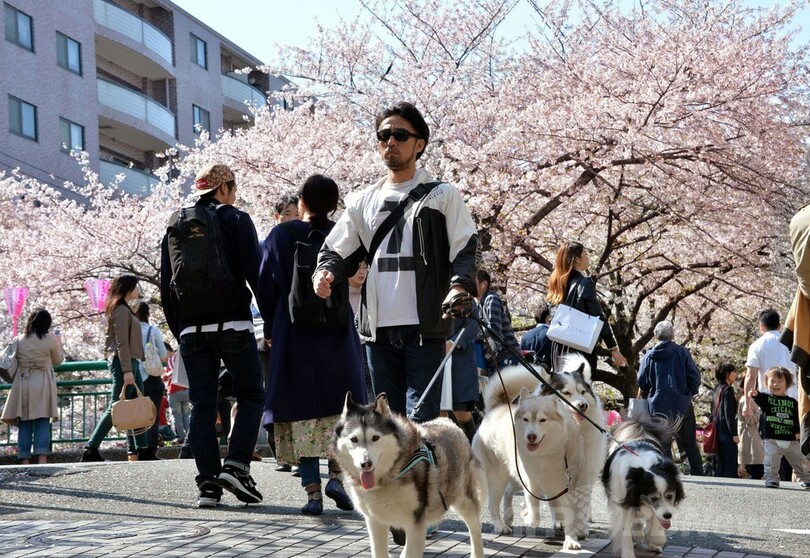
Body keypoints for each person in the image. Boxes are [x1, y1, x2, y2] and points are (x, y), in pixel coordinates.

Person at [313, 101, 478, 422]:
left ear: (419, 144)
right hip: (378, 331)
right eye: (383, 135)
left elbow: (466, 246)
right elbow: (337, 249)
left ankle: (423, 473)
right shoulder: (363, 201)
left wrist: (460, 286)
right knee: (388, 425)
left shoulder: (442, 195)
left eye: (400, 135)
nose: (390, 141)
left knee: (421, 421)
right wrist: (325, 272)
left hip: (425, 327)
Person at [257, 174, 367, 515]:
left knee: (300, 408)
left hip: (293, 331)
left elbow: (263, 284)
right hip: (336, 328)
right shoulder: (342, 233)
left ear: (301, 202)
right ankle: (336, 476)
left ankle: (312, 494)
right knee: (340, 406)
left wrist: (272, 322)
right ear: (335, 205)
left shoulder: (280, 235)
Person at [160, 163, 265, 508]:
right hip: (234, 324)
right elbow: (255, 274)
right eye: (233, 188)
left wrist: (183, 332)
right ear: (223, 189)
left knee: (203, 406)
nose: (235, 195)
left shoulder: (177, 224)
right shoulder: (236, 219)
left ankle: (208, 485)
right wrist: (274, 325)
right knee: (251, 394)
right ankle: (236, 465)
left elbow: (165, 288)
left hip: (192, 330)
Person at [81, 274, 150, 462]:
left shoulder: (124, 308)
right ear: (128, 288)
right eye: (136, 286)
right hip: (123, 362)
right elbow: (121, 342)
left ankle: (144, 451)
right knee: (116, 406)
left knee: (137, 403)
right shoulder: (120, 309)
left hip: (130, 361)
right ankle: (90, 448)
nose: (138, 290)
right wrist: (127, 370)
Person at [546, 241, 627, 373]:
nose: (587, 258)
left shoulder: (557, 284)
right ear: (577, 260)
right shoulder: (584, 283)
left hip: (558, 348)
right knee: (580, 389)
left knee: (563, 390)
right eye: (585, 254)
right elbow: (598, 316)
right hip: (577, 348)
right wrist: (613, 348)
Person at [636, 320, 703, 475]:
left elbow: (642, 381)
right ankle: (699, 473)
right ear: (672, 335)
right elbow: (694, 377)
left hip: (658, 405)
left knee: (663, 443)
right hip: (682, 404)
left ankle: (666, 475)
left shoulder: (649, 356)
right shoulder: (682, 352)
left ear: (655, 336)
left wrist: (648, 392)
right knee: (689, 443)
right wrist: (688, 393)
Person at [1, 309, 64, 464]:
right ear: (47, 324)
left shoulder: (19, 339)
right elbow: (58, 361)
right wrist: (59, 344)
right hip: (43, 382)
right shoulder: (49, 340)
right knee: (42, 420)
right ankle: (42, 459)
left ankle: (24, 459)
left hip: (23, 383)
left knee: (25, 422)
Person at [743, 308, 797, 481]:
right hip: (793, 397)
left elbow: (751, 376)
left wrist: (747, 402)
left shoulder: (757, 345)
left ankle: (773, 475)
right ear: (780, 325)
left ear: (761, 327)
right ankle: (792, 476)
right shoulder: (792, 343)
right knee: (792, 437)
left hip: (768, 400)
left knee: (771, 438)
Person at [748, 366, 810, 489]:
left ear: (787, 383)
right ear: (766, 383)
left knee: (799, 460)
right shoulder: (767, 399)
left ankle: (804, 478)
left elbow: (797, 418)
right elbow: (760, 398)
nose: (775, 384)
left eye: (780, 381)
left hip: (791, 439)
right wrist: (755, 394)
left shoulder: (793, 402)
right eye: (772, 381)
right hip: (772, 438)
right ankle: (771, 478)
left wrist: (798, 432)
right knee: (771, 461)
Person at [125, 302, 167, 461]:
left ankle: (133, 452)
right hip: (152, 376)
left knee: (132, 415)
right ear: (148, 314)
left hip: (134, 376)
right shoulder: (152, 330)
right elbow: (163, 355)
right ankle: (149, 452)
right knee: (152, 416)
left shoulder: (129, 330)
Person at [476, 269, 520, 373]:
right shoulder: (479, 305)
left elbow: (494, 329)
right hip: (496, 359)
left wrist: (473, 334)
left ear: (483, 285)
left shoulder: (491, 299)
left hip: (507, 356)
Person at [711, 362, 739, 478]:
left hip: (717, 429)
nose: (736, 374)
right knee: (730, 463)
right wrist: (734, 434)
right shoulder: (728, 390)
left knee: (720, 463)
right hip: (726, 432)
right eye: (734, 372)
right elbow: (729, 414)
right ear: (727, 374)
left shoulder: (717, 389)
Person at [164, 342, 190, 444]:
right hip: (186, 389)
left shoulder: (172, 358)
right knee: (186, 415)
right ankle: (189, 436)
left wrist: (164, 376)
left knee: (177, 417)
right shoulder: (182, 357)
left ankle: (181, 438)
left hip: (175, 391)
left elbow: (173, 371)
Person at [520, 300, 552, 367]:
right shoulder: (551, 335)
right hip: (548, 372)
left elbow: (521, 358)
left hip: (529, 373)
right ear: (547, 317)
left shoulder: (525, 337)